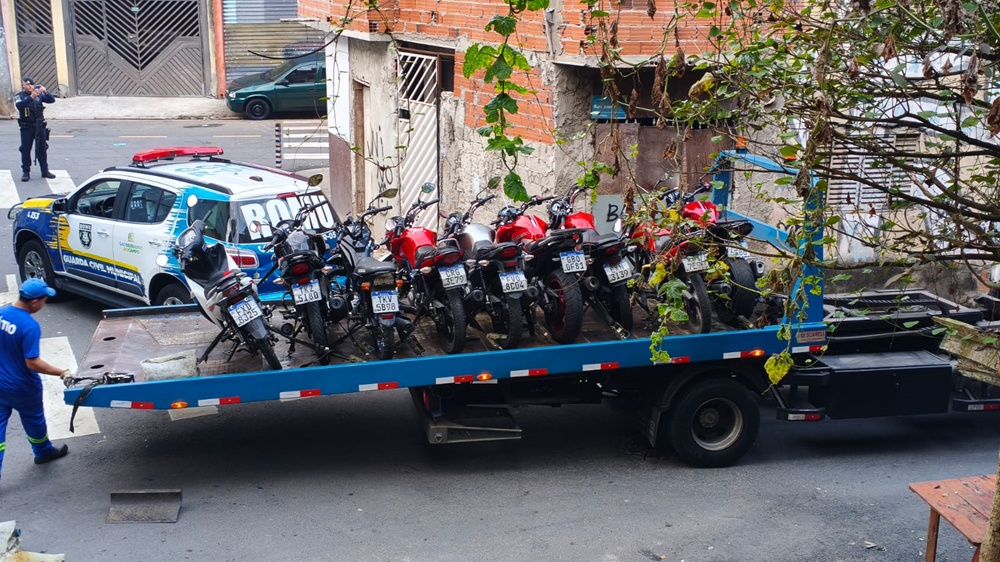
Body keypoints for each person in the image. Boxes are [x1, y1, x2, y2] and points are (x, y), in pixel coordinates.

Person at [0, 278, 74, 484]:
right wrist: (62, 372)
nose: (44, 304)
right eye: (44, 300)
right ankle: (43, 452)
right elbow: (32, 363)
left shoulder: (2, 313)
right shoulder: (29, 326)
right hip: (22, 388)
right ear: (34, 302)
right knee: (34, 421)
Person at [14, 77, 56, 182]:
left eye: (31, 85)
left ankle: (44, 171)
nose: (30, 86)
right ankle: (26, 171)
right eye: (27, 85)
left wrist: (45, 91)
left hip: (39, 126)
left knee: (42, 148)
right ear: (23, 85)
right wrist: (31, 97)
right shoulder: (20, 96)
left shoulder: (39, 95)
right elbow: (19, 105)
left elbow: (51, 100)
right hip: (26, 127)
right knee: (25, 149)